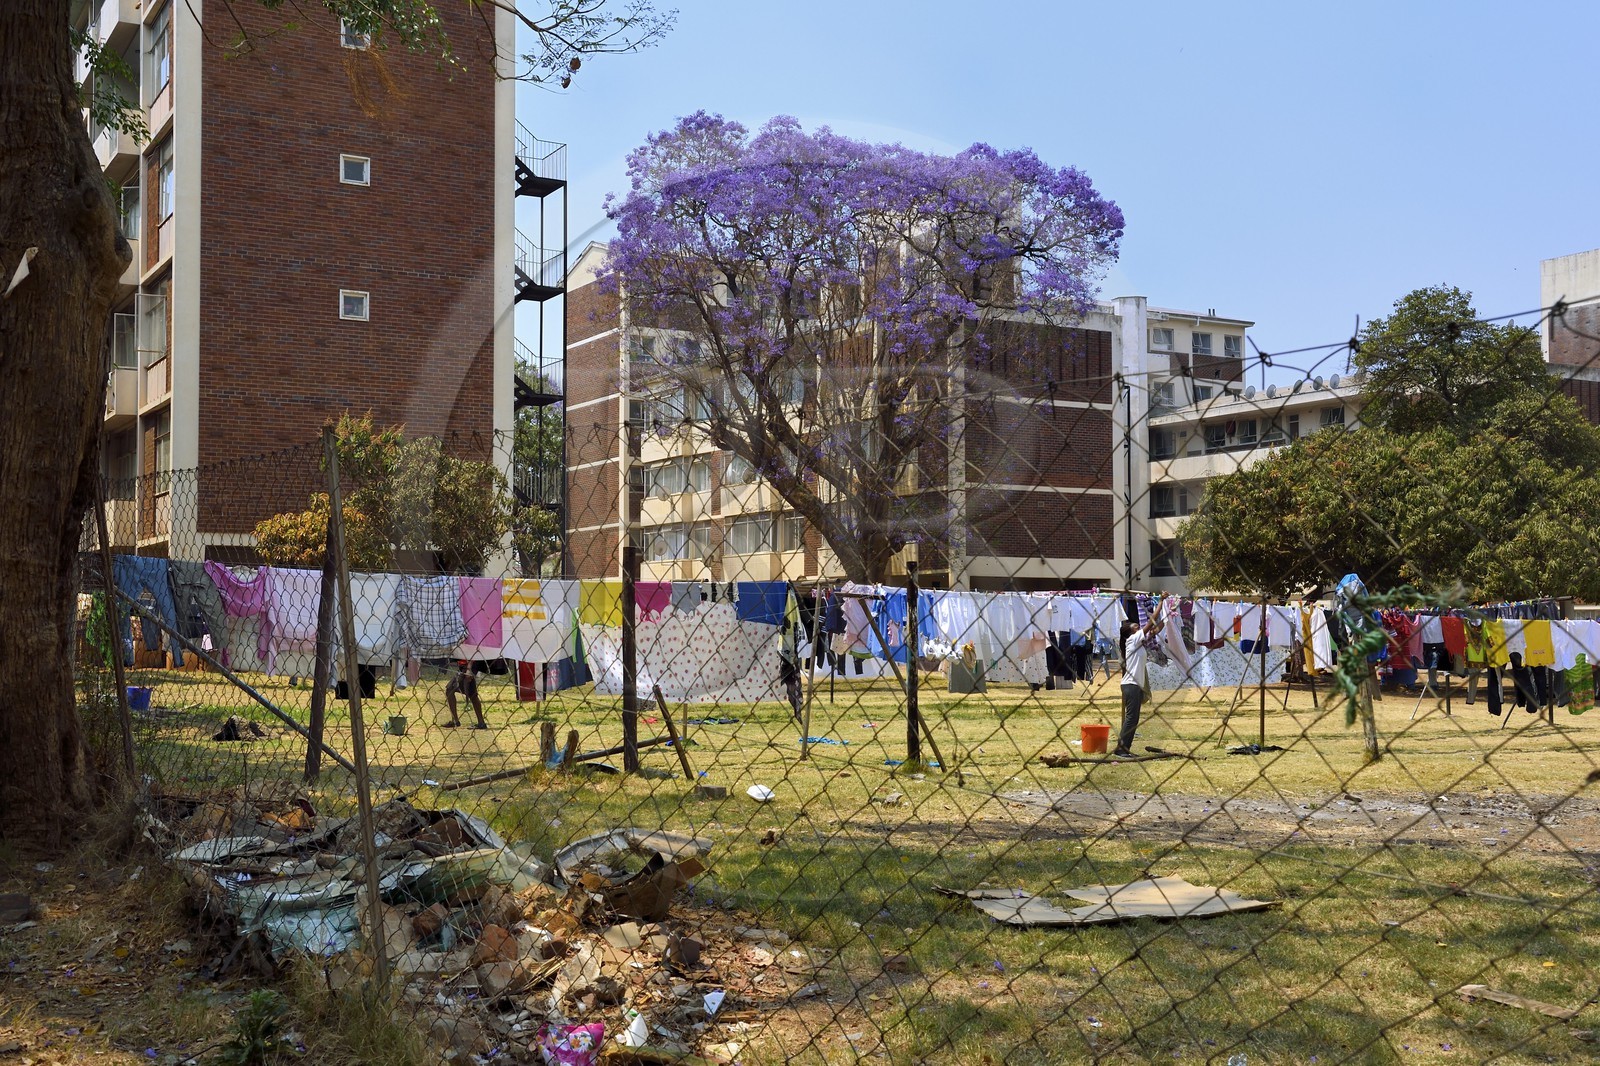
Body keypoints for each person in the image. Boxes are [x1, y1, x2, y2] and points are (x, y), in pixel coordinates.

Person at [1115, 605, 1164, 758]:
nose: (1139, 628)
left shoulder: (1137, 642)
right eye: (1136, 627)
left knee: (1133, 719)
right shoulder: (1132, 640)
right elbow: (1150, 623)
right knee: (1131, 719)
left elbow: (1157, 628)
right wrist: (1161, 602)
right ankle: (1121, 749)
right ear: (1131, 633)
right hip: (1131, 685)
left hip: (1134, 685)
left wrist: (1168, 611)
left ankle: (1125, 749)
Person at [444, 659, 488, 729]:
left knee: (471, 695)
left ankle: (481, 722)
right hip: (463, 667)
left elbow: (472, 656)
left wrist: (469, 669)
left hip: (468, 668)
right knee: (451, 690)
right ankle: (480, 722)